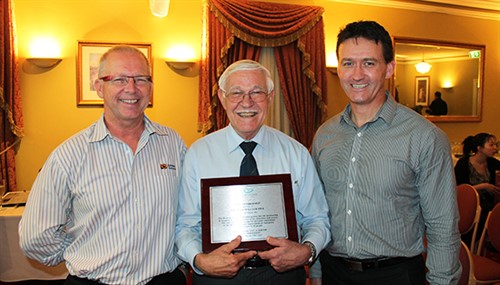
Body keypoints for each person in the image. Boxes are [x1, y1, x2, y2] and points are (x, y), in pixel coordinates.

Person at [19, 46, 187, 285]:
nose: (131, 89)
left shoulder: (173, 144)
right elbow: (35, 238)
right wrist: (80, 245)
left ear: (150, 88)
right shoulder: (68, 155)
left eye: (141, 79)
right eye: (119, 79)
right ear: (99, 87)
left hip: (163, 281)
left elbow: (189, 213)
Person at [311, 20, 461, 285]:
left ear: (389, 68)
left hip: (395, 275)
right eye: (348, 63)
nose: (357, 75)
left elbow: (442, 226)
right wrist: (316, 273)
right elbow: (317, 212)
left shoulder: (425, 137)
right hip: (333, 271)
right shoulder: (325, 134)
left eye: (369, 63)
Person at [175, 59, 331, 285]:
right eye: (236, 93)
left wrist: (307, 250)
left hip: (282, 276)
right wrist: (199, 260)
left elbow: (317, 218)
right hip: (216, 278)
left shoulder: (296, 153)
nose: (246, 102)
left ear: (270, 97)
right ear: (222, 98)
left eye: (256, 92)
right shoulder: (198, 154)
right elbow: (185, 224)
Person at [454, 133, 500, 246]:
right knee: (486, 216)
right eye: (491, 145)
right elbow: (458, 190)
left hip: (490, 203)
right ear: (479, 148)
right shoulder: (463, 164)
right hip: (470, 204)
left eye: (496, 145)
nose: (495, 148)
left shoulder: (492, 162)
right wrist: (483, 186)